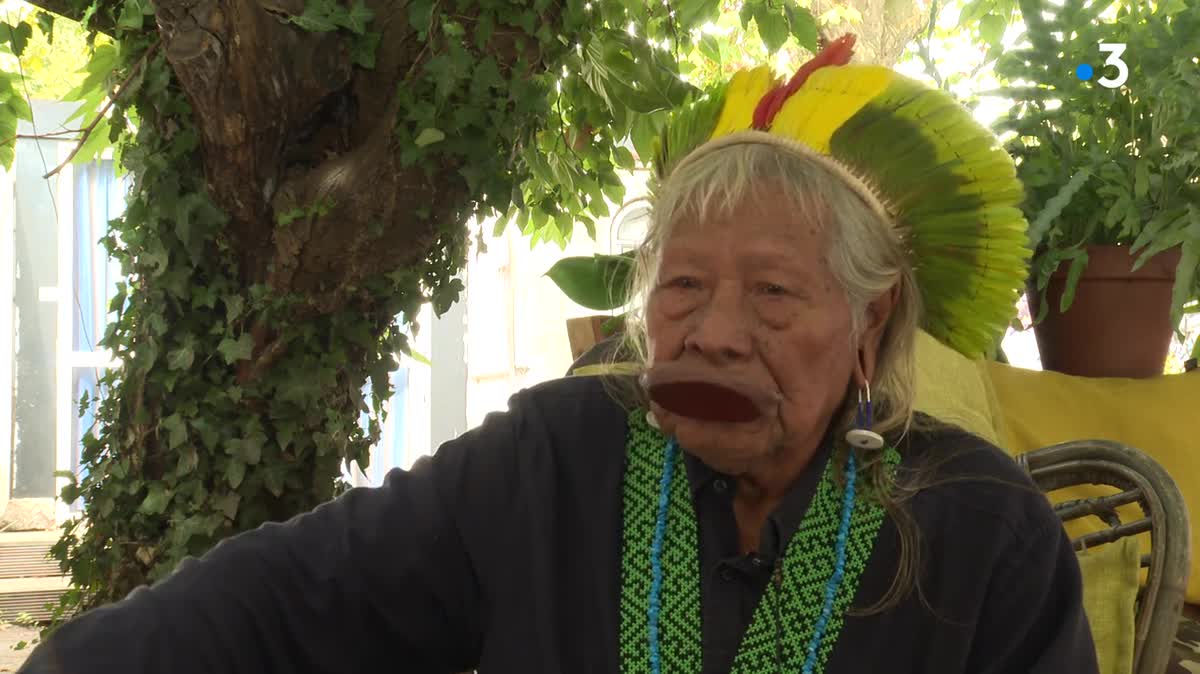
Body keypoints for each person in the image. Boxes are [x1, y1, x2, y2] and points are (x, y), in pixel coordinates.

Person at [20, 35, 1098, 674]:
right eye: (681, 287)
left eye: (773, 293)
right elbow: (301, 592)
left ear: (871, 320)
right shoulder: (557, 453)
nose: (715, 330)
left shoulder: (981, 524)